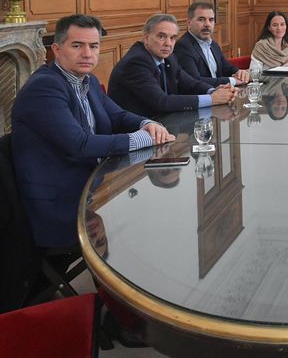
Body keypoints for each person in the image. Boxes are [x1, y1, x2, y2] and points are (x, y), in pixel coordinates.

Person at [11, 14, 174, 248]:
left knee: (152, 215)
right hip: (60, 204)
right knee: (142, 232)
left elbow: (118, 116)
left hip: (91, 186)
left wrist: (147, 124)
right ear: (57, 50)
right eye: (77, 45)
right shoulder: (44, 87)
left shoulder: (88, 80)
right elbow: (81, 145)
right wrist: (144, 138)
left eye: (94, 46)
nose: (87, 53)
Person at [109, 13, 237, 118]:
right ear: (146, 38)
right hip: (136, 132)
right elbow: (162, 102)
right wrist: (212, 99)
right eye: (161, 37)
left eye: (172, 38)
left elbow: (190, 82)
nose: (168, 43)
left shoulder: (169, 56)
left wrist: (213, 90)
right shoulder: (136, 62)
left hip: (164, 125)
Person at [174, 1, 250, 87]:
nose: (207, 24)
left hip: (221, 94)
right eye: (201, 19)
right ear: (189, 23)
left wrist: (239, 73)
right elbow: (194, 80)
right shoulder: (183, 46)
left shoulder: (213, 44)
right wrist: (232, 80)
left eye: (211, 20)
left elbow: (227, 67)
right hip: (204, 97)